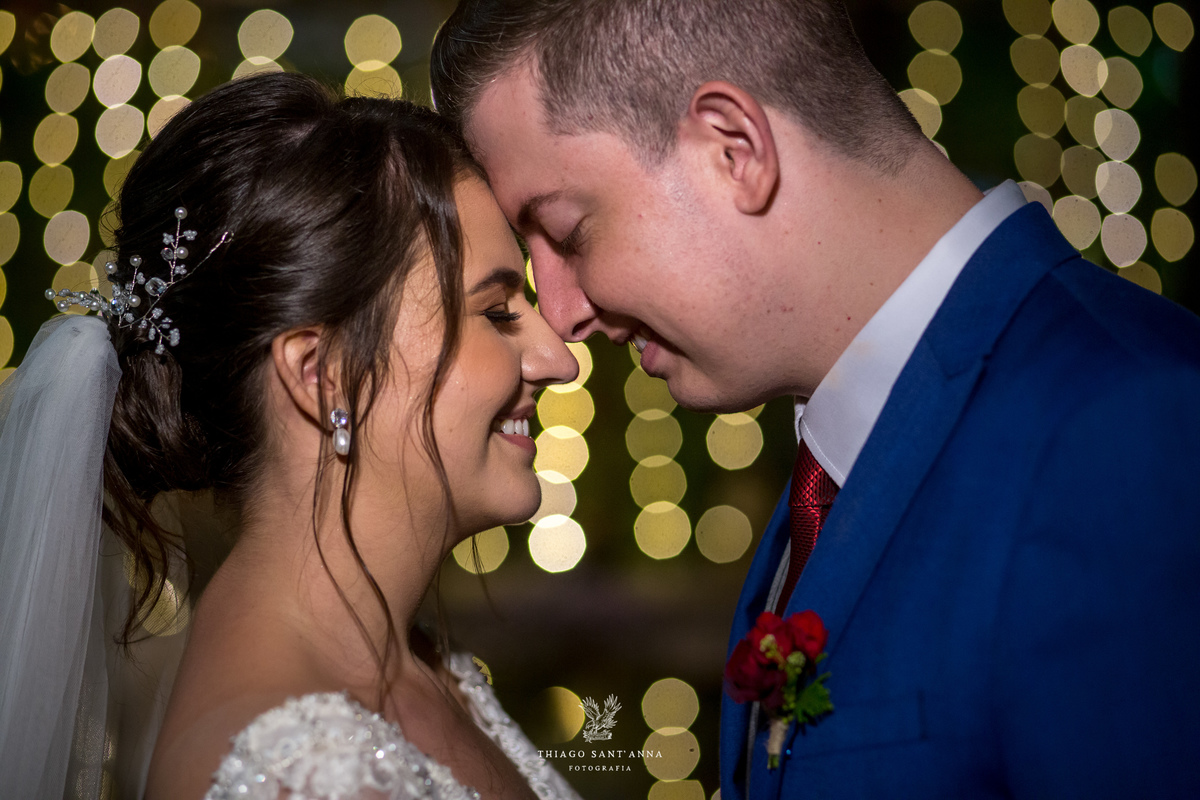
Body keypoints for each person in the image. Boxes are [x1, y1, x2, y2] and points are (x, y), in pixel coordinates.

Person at [430, 0, 1200, 797]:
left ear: (733, 150)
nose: (560, 315)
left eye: (568, 232)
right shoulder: (831, 469)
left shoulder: (1129, 434)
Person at [0, 72, 585, 800]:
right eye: (496, 313)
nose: (559, 359)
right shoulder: (296, 777)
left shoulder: (425, 666)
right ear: (321, 375)